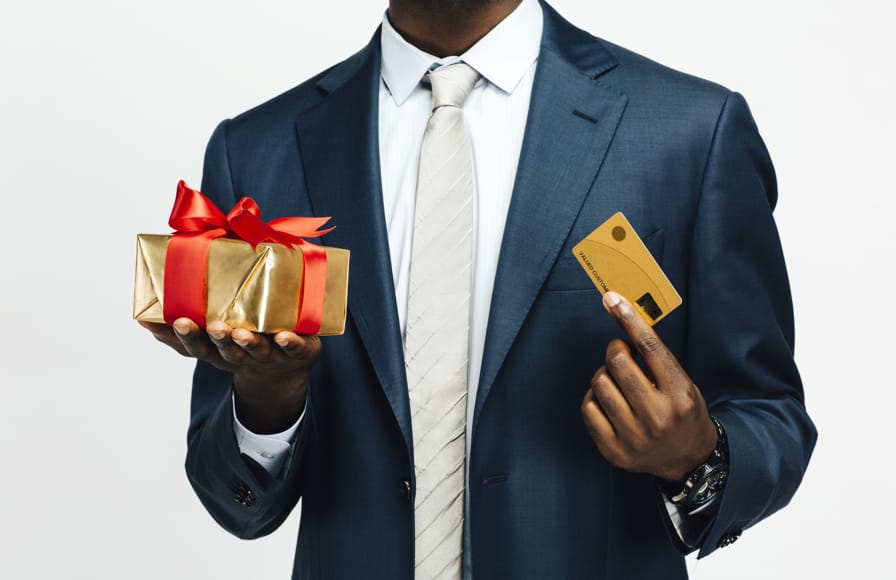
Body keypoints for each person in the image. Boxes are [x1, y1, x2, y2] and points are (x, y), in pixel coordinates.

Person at [141, 0, 817, 578]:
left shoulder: (689, 132)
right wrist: (269, 397)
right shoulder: (258, 150)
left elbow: (771, 413)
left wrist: (696, 458)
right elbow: (232, 496)